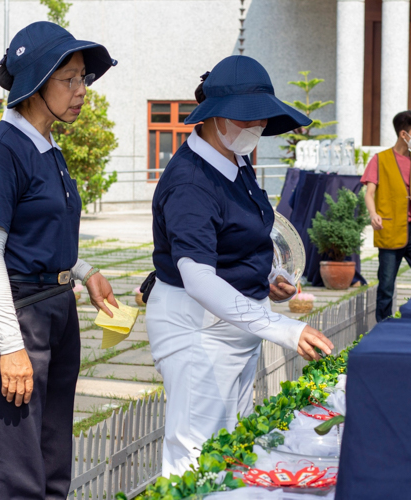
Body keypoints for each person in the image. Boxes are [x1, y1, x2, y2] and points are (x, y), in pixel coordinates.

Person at [146, 55, 335, 476]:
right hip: (198, 328)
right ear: (214, 118)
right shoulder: (190, 182)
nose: (259, 128)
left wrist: (268, 277)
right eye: (249, 119)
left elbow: (241, 238)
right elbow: (197, 277)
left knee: (232, 448)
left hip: (239, 323)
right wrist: (285, 329)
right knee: (196, 457)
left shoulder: (238, 161)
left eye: (263, 120)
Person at [0, 22, 118, 499]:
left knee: (52, 462)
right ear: (34, 83)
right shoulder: (1, 152)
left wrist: (84, 271)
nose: (81, 91)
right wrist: (10, 348)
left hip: (56, 306)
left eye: (83, 80)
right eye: (69, 79)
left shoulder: (48, 147)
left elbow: (39, 235)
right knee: (17, 470)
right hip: (17, 313)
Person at [362, 111, 411, 322]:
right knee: (386, 285)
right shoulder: (380, 159)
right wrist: (373, 214)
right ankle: (383, 325)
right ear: (404, 134)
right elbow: (369, 193)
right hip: (390, 228)